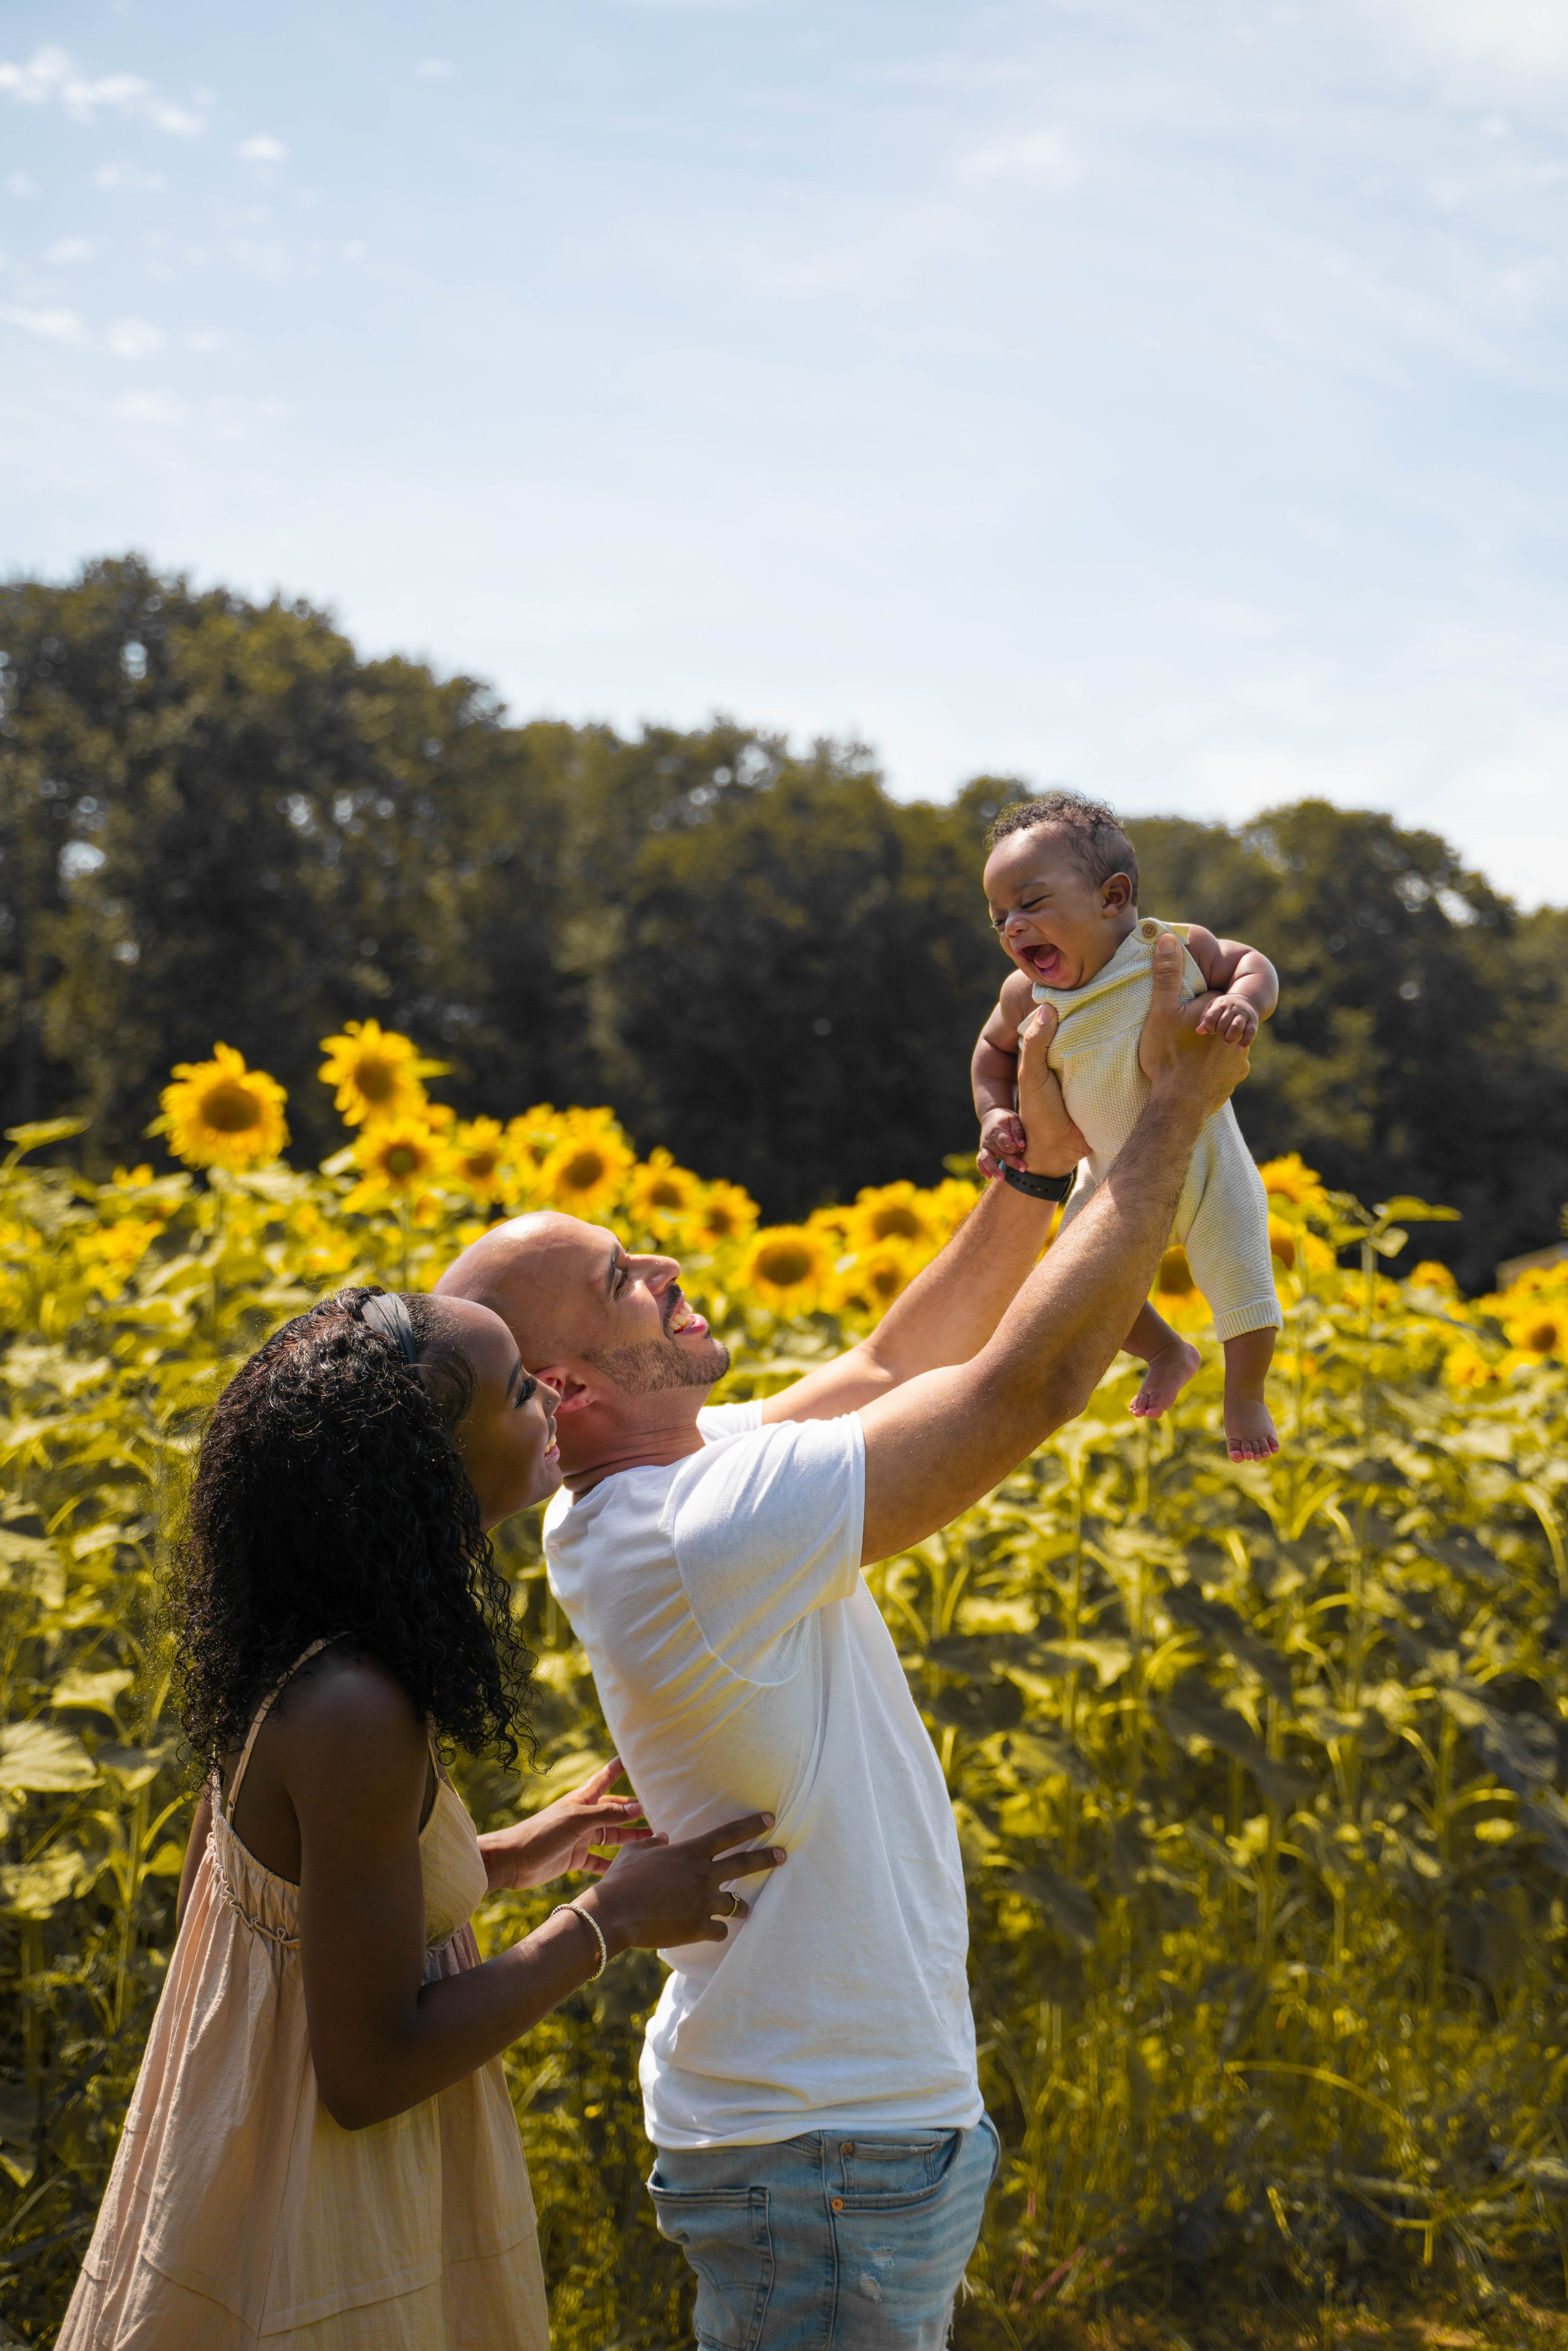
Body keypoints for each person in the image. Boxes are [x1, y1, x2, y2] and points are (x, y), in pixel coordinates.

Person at [434, 939, 1247, 2350]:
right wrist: (1166, 1115)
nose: (666, 1264)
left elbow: (892, 1366)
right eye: (623, 1277)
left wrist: (1036, 1169)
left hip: (831, 2135)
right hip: (820, 2150)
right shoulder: (692, 1530)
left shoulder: (667, 1484)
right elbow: (1019, 1392)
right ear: (563, 1386)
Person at [58, 1286, 783, 2351]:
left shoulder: (305, 1647)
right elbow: (368, 2071)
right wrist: (603, 1923)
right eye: (511, 1387)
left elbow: (291, 1906)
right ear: (426, 1469)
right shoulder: (357, 1709)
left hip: (251, 2168)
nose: (543, 1393)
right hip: (324, 2213)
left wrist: (508, 1853)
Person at [971, 789, 1283, 1463]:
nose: (1012, 928)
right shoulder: (1026, 994)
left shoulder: (1168, 949)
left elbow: (1254, 962)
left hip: (1206, 1162)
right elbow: (991, 1053)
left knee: (1242, 1275)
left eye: (1030, 904)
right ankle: (1168, 1350)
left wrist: (1241, 1002)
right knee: (1075, 1284)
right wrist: (996, 1112)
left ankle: (1245, 1395)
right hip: (1107, 1176)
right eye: (999, 917)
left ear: (1113, 897)